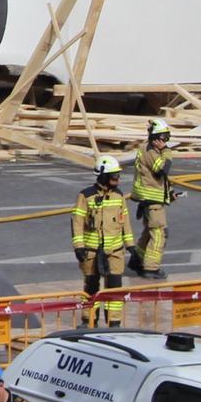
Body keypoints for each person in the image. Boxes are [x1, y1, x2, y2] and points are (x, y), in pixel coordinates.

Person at [71, 155, 133, 326]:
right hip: (91, 252)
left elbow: (125, 222)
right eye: (114, 176)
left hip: (114, 252)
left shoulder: (118, 196)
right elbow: (77, 222)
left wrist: (131, 245)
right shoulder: (86, 196)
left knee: (115, 288)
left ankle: (114, 322)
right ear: (104, 175)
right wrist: (79, 247)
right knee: (91, 287)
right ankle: (89, 320)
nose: (118, 179)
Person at [131, 119, 178, 277]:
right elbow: (161, 170)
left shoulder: (150, 149)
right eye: (163, 138)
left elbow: (157, 180)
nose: (165, 141)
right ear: (156, 138)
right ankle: (151, 268)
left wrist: (169, 193)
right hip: (151, 201)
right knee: (159, 234)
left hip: (150, 199)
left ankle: (137, 260)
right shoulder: (152, 151)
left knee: (149, 232)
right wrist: (166, 151)